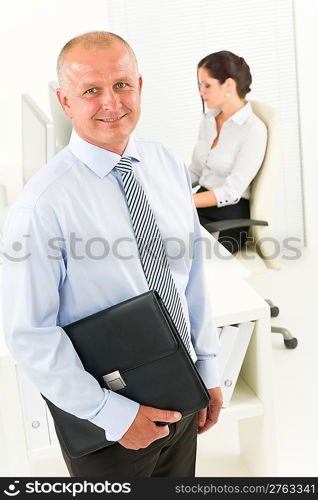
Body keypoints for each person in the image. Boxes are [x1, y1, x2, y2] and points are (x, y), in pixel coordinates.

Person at [2, 31, 222, 477]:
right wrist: (114, 415)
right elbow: (30, 334)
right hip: (108, 422)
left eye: (121, 84)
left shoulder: (166, 165)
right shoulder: (41, 206)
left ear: (140, 86)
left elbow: (191, 275)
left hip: (182, 389)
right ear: (65, 103)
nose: (111, 102)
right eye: (91, 90)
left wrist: (208, 367)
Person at [189, 50, 267, 254]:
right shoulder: (208, 121)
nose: (201, 92)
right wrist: (168, 187)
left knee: (199, 261)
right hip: (200, 203)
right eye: (200, 86)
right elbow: (196, 172)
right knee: (161, 244)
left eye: (207, 85)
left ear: (229, 85)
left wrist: (186, 200)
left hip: (231, 215)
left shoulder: (253, 129)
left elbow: (232, 192)